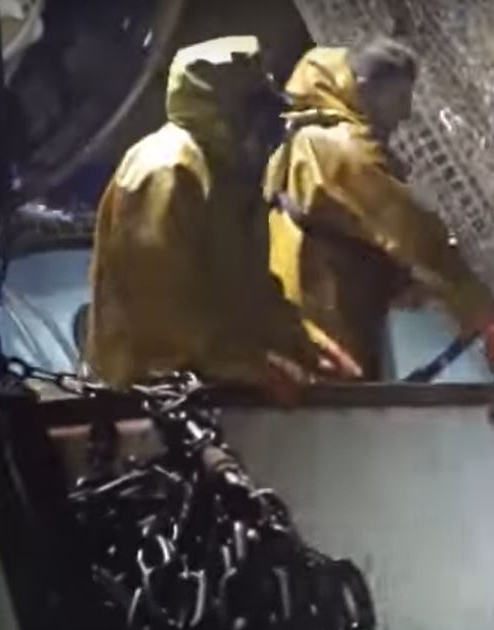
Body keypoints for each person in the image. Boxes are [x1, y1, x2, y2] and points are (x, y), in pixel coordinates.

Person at [84, 35, 358, 391]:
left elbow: (249, 289)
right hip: (148, 399)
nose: (270, 130)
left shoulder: (229, 178)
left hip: (211, 394)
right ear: (223, 108)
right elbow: (157, 309)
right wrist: (246, 366)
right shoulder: (168, 168)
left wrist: (303, 342)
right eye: (256, 111)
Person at [265, 36, 494, 393]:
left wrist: (401, 281)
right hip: (322, 323)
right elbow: (418, 239)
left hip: (314, 313)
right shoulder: (341, 150)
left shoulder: (308, 137)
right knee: (340, 413)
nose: (406, 115)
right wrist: (489, 321)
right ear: (365, 89)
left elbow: (346, 231)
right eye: (399, 100)